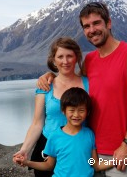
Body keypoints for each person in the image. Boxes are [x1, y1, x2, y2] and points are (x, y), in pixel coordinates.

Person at [37, 2, 127, 176]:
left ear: (109, 23)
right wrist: (49, 76)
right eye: (86, 26)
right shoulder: (90, 60)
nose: (92, 30)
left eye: (96, 23)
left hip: (120, 152)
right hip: (92, 152)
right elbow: (71, 81)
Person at [13, 37, 89, 177]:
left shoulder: (89, 84)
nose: (65, 61)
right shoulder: (45, 87)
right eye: (60, 56)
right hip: (47, 148)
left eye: (69, 56)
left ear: (77, 57)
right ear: (53, 60)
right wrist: (25, 150)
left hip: (78, 147)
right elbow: (37, 123)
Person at [18, 87, 114, 177]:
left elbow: (96, 164)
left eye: (81, 110)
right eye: (71, 110)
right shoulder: (54, 137)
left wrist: (117, 160)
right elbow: (49, 165)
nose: (76, 115)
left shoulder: (89, 134)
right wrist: (27, 162)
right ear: (63, 111)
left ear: (87, 112)